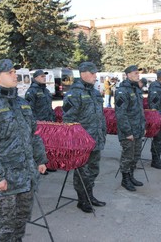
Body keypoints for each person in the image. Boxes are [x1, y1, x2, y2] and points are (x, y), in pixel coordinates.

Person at [0, 59, 47, 241]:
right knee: (6, 225)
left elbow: (33, 134)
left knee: (21, 220)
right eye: (10, 72)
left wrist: (40, 159)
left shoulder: (21, 103)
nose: (15, 75)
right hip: (6, 178)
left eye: (15, 72)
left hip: (27, 174)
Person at [62, 62, 107, 213]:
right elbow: (68, 120)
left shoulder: (94, 93)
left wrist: (103, 133)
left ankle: (90, 195)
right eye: (93, 73)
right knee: (82, 172)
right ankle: (82, 200)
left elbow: (100, 116)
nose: (96, 76)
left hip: (96, 139)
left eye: (95, 73)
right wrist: (75, 142)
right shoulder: (73, 93)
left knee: (93, 170)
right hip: (82, 142)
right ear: (83, 74)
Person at [114, 65, 145, 192]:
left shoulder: (136, 89)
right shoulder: (122, 91)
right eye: (135, 73)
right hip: (128, 131)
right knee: (127, 156)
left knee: (136, 155)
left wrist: (143, 127)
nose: (138, 75)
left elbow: (140, 111)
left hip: (137, 129)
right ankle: (125, 179)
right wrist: (127, 132)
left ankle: (131, 176)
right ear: (128, 75)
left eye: (138, 73)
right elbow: (121, 114)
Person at [25, 69, 56, 174]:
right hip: (38, 123)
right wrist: (33, 122)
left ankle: (48, 164)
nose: (44, 78)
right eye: (42, 76)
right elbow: (29, 109)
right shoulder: (31, 91)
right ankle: (38, 166)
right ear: (35, 78)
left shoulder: (46, 91)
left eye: (44, 76)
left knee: (48, 145)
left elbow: (49, 106)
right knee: (38, 145)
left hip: (48, 122)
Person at [147, 70, 161, 169]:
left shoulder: (160, 88)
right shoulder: (155, 89)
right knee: (158, 140)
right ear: (160, 78)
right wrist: (160, 121)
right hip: (159, 120)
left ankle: (158, 158)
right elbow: (154, 108)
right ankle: (155, 161)